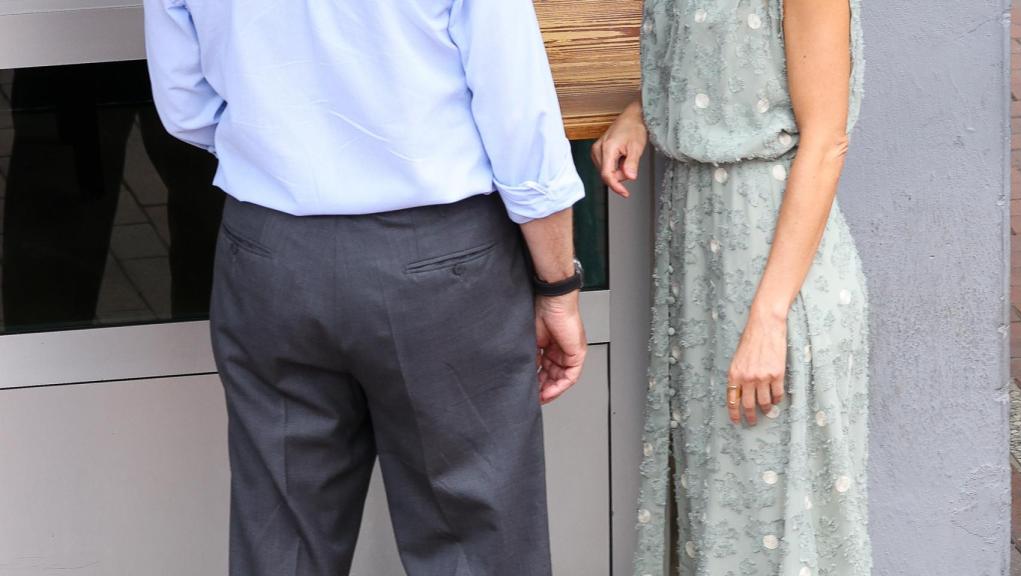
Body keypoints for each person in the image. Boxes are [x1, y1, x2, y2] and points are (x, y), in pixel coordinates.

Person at [143, 1, 588, 574]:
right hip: (437, 259)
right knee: (476, 539)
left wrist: (284, 147)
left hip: (271, 250)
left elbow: (184, 105)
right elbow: (517, 115)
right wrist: (557, 285)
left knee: (281, 535)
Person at [594, 0, 871, 574]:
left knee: (768, 525)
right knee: (716, 523)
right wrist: (639, 113)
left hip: (768, 271)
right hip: (700, 271)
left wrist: (770, 318)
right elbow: (719, 62)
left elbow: (826, 142)